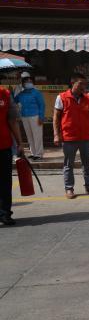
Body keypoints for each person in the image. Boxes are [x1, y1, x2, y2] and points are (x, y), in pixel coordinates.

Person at [53, 73, 89, 199]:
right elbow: (56, 118)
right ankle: (69, 188)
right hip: (69, 137)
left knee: (87, 163)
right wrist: (56, 135)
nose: (83, 86)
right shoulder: (62, 97)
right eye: (81, 84)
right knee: (69, 164)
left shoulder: (87, 99)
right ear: (72, 83)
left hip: (85, 137)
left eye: (85, 84)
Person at [0, 85, 24, 225]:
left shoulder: (4, 93)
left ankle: (4, 214)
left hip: (3, 145)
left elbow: (12, 120)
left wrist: (20, 143)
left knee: (4, 182)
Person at [14, 74, 45, 160]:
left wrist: (41, 117)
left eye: (30, 82)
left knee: (37, 135)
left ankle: (39, 154)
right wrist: (12, 91)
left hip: (35, 116)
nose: (28, 83)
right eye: (26, 82)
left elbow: (42, 105)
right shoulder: (21, 94)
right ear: (23, 84)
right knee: (29, 135)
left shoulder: (36, 92)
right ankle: (33, 152)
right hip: (25, 116)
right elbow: (14, 100)